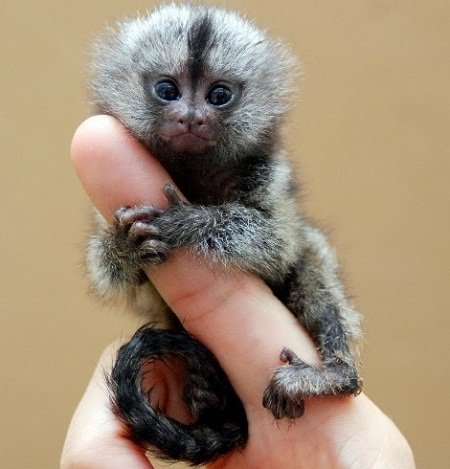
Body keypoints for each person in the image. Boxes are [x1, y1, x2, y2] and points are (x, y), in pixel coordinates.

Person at [61, 115, 415, 469]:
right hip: (205, 358)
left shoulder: (257, 165)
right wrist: (122, 250)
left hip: (287, 309)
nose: (191, 113)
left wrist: (197, 223)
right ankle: (213, 404)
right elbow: (110, 278)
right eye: (167, 91)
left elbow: (278, 248)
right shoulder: (131, 190)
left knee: (311, 245)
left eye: (218, 96)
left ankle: (338, 367)